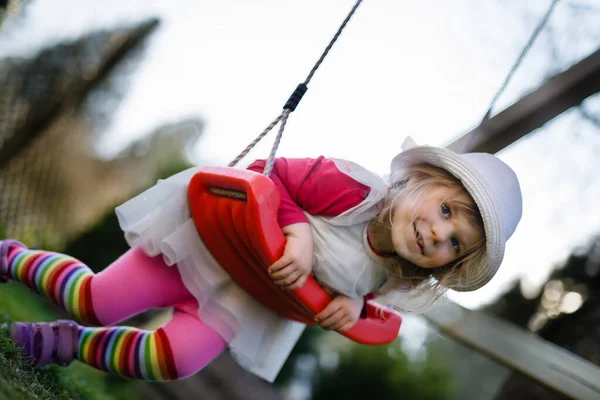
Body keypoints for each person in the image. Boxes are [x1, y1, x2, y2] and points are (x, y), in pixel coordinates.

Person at [0, 137, 522, 382]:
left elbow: (360, 298)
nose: (437, 234)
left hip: (248, 300)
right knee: (93, 300)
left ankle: (61, 343)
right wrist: (296, 231)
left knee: (173, 360)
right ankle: (12, 256)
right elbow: (267, 173)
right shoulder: (353, 190)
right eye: (447, 210)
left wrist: (350, 306)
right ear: (424, 182)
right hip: (207, 248)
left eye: (455, 243)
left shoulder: (394, 278)